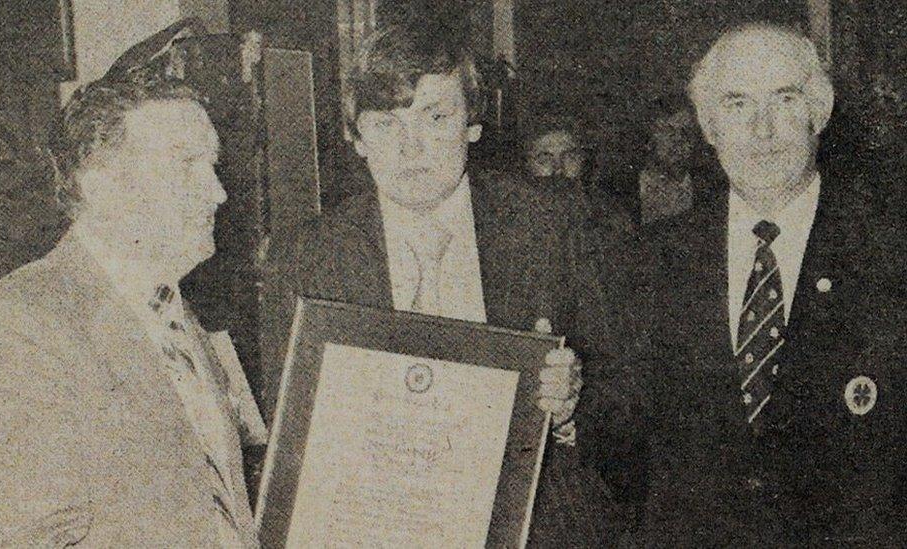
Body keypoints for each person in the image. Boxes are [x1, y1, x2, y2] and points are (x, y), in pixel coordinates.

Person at [256, 23, 623, 545]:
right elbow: (291, 432)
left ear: (472, 125)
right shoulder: (305, 256)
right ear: (355, 139)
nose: (412, 147)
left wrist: (571, 407)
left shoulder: (551, 222)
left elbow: (626, 391)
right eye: (385, 123)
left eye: (435, 117)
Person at [595, 23, 907, 545]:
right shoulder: (648, 261)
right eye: (738, 105)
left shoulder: (890, 254)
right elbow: (622, 447)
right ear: (708, 126)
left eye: (784, 99)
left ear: (819, 113)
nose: (764, 131)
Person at [0, 75, 264, 545]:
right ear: (102, 187)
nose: (217, 193)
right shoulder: (16, 329)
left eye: (212, 165)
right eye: (186, 165)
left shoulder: (172, 312)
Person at [520, 112, 635, 253]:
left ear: (582, 160)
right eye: (545, 158)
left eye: (569, 156)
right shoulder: (516, 221)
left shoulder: (610, 217)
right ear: (527, 164)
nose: (558, 169)